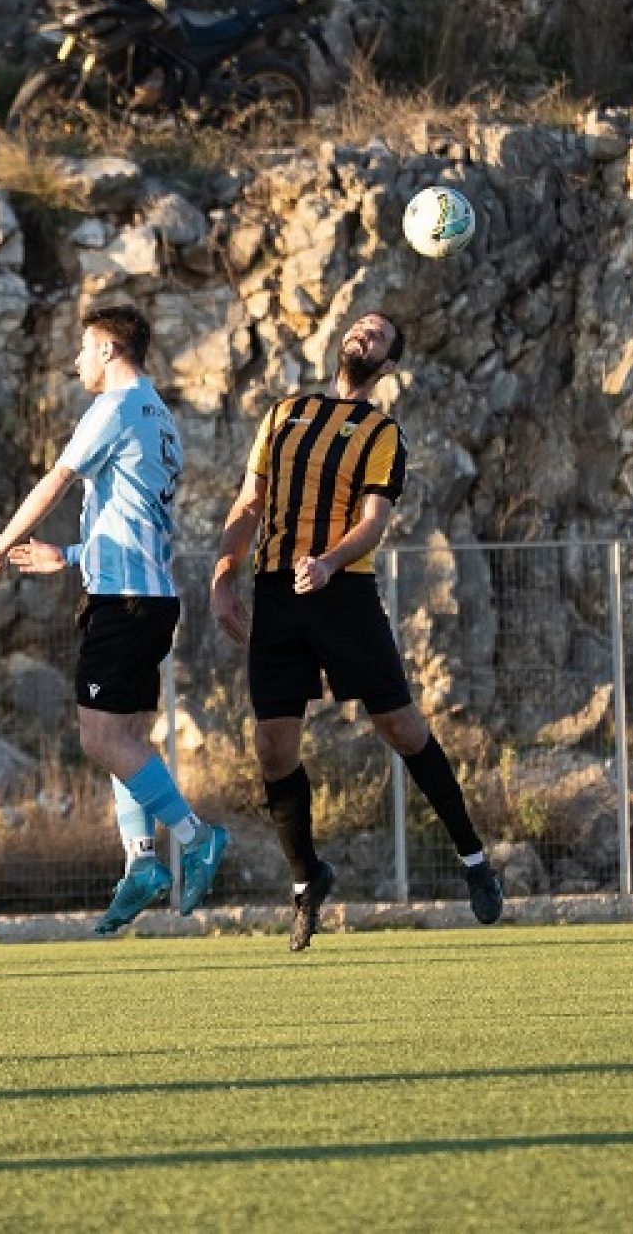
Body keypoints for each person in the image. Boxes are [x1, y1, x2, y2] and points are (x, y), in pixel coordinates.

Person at [210, 311, 503, 952]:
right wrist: (224, 576)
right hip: (276, 594)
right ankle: (307, 880)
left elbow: (374, 522)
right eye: (360, 325)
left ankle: (474, 859)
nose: (363, 333)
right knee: (272, 748)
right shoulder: (284, 413)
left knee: (400, 727)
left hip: (343, 593)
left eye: (378, 334)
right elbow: (249, 503)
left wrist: (328, 561)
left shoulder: (381, 433)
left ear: (388, 364)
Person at [0, 305, 228, 933]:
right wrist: (70, 555)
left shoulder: (114, 407)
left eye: (84, 348)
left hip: (125, 602)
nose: (77, 361)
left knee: (99, 739)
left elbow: (55, 483)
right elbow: (136, 521)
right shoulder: (159, 416)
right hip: (148, 596)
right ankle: (141, 863)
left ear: (109, 350)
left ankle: (196, 837)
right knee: (125, 740)